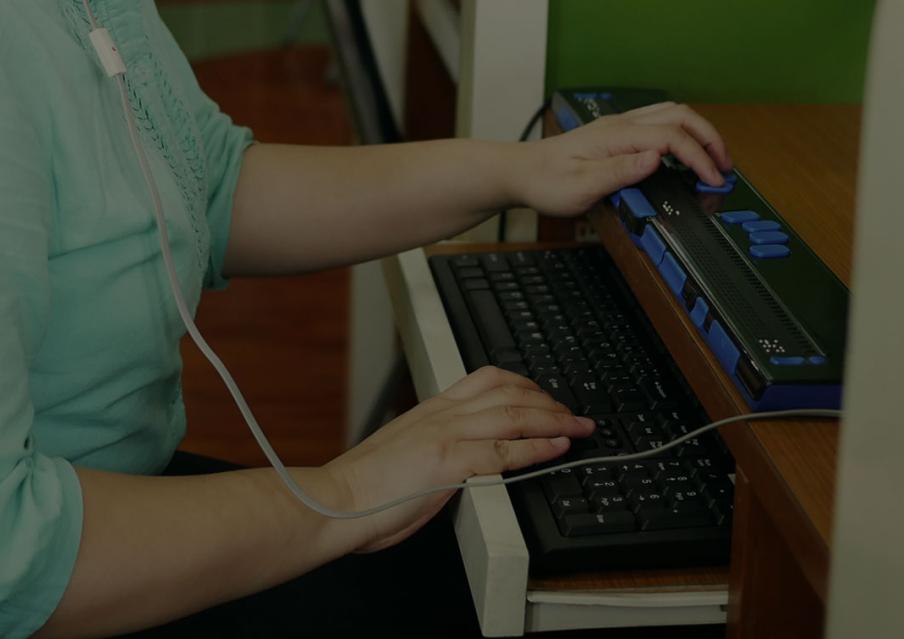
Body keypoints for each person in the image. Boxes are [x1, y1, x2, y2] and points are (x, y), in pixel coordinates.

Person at [0, 0, 732, 637]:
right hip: (61, 572)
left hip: (105, 511)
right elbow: (14, 550)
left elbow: (211, 187)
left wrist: (517, 170)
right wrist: (346, 494)